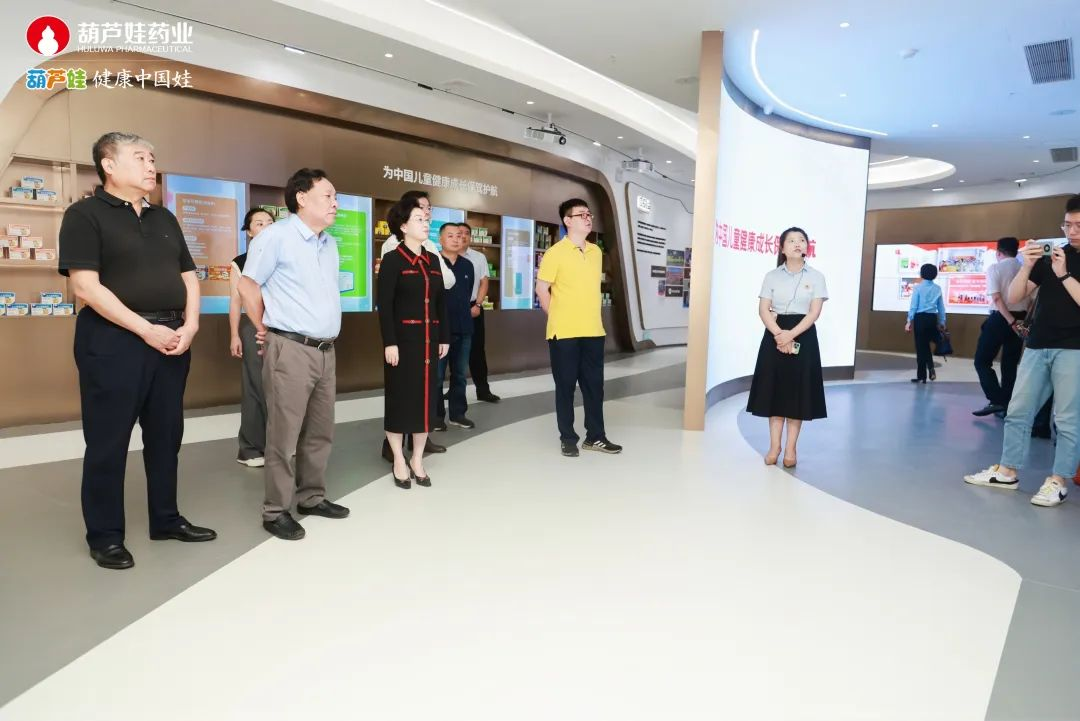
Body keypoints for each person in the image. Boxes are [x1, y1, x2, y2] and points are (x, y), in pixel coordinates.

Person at [59, 131, 216, 570]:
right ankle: (106, 536)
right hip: (113, 341)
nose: (151, 166)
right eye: (141, 158)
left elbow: (189, 277)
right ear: (108, 165)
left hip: (172, 340)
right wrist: (146, 330)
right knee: (108, 442)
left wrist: (191, 325)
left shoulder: (164, 217)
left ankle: (166, 519)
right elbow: (86, 287)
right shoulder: (84, 215)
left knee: (166, 436)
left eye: (153, 158)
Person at [239, 169, 350, 539]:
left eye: (335, 197)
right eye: (328, 196)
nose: (335, 203)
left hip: (325, 350)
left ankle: (312, 496)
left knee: (320, 430)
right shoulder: (275, 237)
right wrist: (262, 327)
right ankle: (275, 511)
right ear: (301, 198)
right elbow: (248, 285)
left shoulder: (329, 243)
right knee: (283, 435)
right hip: (290, 347)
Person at [965, 194, 1080, 507]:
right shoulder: (1053, 256)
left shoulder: (1061, 265)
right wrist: (1027, 266)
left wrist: (1064, 274)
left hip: (1074, 349)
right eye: (1067, 225)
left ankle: (1058, 481)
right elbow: (1015, 296)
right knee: (1017, 411)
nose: (1072, 231)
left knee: (1067, 419)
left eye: (1078, 225)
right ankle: (1007, 472)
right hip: (1037, 345)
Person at [535, 199, 621, 457]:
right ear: (567, 221)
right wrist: (557, 317)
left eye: (589, 214)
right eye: (581, 214)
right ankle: (568, 437)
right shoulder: (555, 253)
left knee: (595, 387)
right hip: (564, 333)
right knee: (565, 387)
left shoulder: (595, 252)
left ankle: (596, 436)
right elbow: (542, 289)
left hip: (593, 331)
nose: (588, 218)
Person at [377, 196, 449, 488]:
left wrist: (444, 337)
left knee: (425, 403)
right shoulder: (393, 260)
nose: (425, 223)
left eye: (426, 218)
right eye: (419, 219)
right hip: (402, 344)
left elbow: (441, 302)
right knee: (400, 401)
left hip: (430, 343)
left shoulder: (433, 259)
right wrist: (389, 343)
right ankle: (398, 458)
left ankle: (417, 459)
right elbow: (385, 305)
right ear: (403, 226)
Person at [746, 226, 828, 468]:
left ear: (807, 246)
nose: (797, 244)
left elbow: (814, 312)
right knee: (775, 391)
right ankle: (775, 446)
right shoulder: (771, 276)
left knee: (796, 393)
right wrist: (779, 335)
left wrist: (791, 334)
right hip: (775, 333)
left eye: (801, 240)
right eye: (791, 240)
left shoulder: (816, 276)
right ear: (782, 248)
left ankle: (791, 448)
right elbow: (763, 309)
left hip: (803, 334)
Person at [228, 207, 276, 467]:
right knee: (256, 387)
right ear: (248, 231)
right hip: (253, 329)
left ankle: (279, 443)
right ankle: (250, 448)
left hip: (281, 328)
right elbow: (236, 302)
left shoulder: (282, 257)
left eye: (270, 222)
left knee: (281, 388)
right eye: (259, 223)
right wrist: (234, 335)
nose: (266, 226)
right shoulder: (240, 262)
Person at [972, 237, 1028, 416]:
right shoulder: (1024, 270)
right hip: (1021, 318)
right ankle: (1007, 404)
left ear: (998, 252)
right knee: (1010, 364)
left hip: (1000, 318)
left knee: (982, 361)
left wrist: (1010, 320)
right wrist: (1019, 322)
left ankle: (997, 400)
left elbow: (996, 298)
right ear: (1016, 251)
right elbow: (1032, 300)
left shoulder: (995, 268)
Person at [435, 223, 477, 430]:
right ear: (440, 239)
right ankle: (435, 417)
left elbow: (468, 294)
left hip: (464, 328)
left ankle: (458, 414)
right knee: (436, 376)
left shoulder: (467, 265)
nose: (455, 239)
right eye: (450, 235)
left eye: (459, 236)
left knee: (460, 375)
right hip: (439, 331)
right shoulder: (433, 262)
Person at [461, 223, 500, 403]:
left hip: (474, 307)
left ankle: (483, 390)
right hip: (451, 308)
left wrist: (477, 304)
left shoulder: (478, 257)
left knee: (476, 350)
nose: (462, 236)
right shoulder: (442, 257)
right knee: (451, 350)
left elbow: (484, 282)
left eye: (466, 233)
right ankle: (454, 390)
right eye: (458, 233)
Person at [904, 263, 946, 383]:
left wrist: (909, 321)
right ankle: (929, 370)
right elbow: (941, 307)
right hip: (932, 318)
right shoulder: (937, 288)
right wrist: (942, 321)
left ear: (921, 274)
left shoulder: (918, 288)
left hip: (920, 319)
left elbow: (913, 306)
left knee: (920, 347)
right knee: (925, 345)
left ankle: (923, 374)